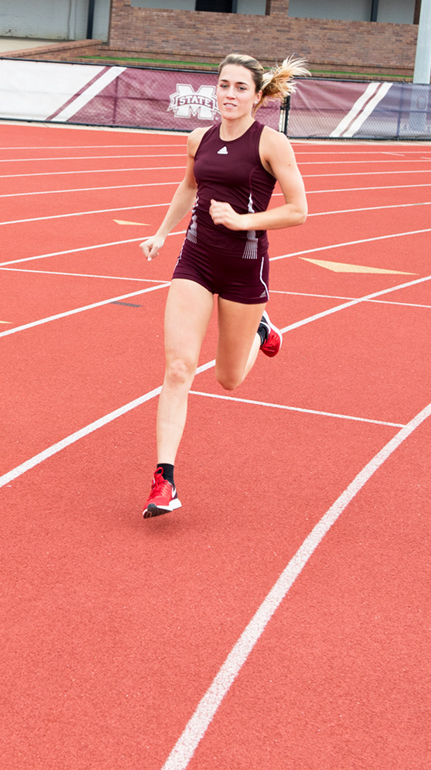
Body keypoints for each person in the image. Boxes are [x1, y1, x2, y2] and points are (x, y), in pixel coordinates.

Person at [138, 54, 309, 519]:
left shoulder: (272, 144)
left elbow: (298, 210)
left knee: (228, 379)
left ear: (258, 96)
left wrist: (242, 220)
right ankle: (164, 481)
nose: (229, 94)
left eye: (239, 88)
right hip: (196, 258)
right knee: (178, 369)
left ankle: (259, 332)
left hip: (244, 266)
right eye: (223, 85)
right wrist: (160, 232)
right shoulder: (199, 139)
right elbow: (189, 189)